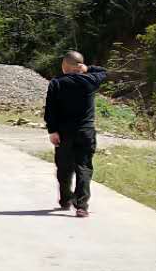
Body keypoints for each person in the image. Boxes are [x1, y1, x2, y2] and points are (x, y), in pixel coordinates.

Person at [45, 51, 108, 217]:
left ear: (64, 66)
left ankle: (65, 199)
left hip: (64, 133)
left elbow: (50, 110)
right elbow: (103, 72)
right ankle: (82, 206)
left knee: (64, 167)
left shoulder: (56, 83)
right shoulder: (90, 80)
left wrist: (52, 131)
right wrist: (87, 69)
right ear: (80, 66)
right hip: (86, 131)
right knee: (84, 167)